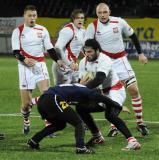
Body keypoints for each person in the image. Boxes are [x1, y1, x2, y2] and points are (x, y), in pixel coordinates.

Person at [84, 3, 149, 136]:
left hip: (121, 60)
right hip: (105, 64)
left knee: (134, 89)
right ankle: (113, 125)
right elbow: (86, 46)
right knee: (110, 95)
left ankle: (140, 122)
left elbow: (133, 36)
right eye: (100, 13)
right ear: (96, 13)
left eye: (105, 12)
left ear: (109, 12)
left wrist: (140, 53)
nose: (102, 15)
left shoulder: (119, 21)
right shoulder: (93, 26)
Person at [27, 83, 140, 152]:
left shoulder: (78, 90)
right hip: (53, 99)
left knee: (59, 124)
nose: (90, 106)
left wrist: (32, 102)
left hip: (44, 102)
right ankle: (81, 148)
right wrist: (119, 107)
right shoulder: (89, 93)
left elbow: (46, 95)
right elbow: (104, 99)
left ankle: (33, 141)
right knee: (78, 123)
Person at [78, 39, 140, 150]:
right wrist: (79, 88)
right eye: (85, 52)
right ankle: (97, 136)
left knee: (110, 115)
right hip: (99, 93)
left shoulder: (105, 59)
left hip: (115, 91)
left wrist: (81, 89)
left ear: (97, 50)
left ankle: (133, 142)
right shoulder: (83, 62)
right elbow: (81, 80)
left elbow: (99, 79)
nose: (87, 54)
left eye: (90, 52)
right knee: (81, 108)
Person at [11, 5, 65, 135]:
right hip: (25, 68)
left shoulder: (42, 30)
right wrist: (24, 60)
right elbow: (16, 52)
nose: (32, 18)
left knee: (47, 95)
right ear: (24, 16)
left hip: (40, 65)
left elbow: (50, 48)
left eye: (34, 16)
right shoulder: (18, 31)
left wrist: (57, 60)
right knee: (26, 104)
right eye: (29, 16)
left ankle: (49, 123)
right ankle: (26, 119)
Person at [52, 9, 85, 84]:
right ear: (73, 19)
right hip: (63, 66)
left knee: (80, 89)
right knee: (62, 93)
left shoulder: (82, 31)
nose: (80, 20)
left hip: (73, 66)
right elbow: (57, 48)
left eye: (82, 18)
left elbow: (83, 47)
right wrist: (70, 64)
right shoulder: (68, 30)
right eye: (77, 18)